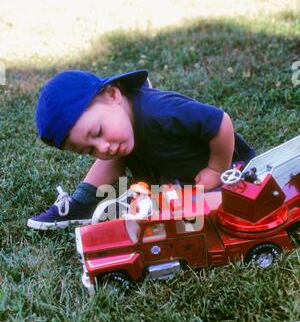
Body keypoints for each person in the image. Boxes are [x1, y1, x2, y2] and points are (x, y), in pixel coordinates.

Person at [27, 69, 255, 230]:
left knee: (208, 219)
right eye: (89, 150)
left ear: (113, 94)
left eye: (97, 132)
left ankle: (150, 200)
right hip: (175, 182)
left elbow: (220, 122)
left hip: (229, 175)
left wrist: (216, 169)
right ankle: (80, 204)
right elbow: (108, 158)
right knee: (119, 157)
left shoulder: (161, 111)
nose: (101, 148)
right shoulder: (118, 131)